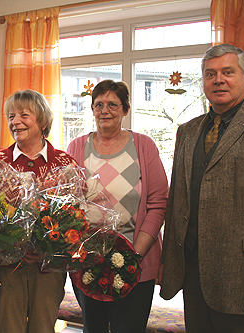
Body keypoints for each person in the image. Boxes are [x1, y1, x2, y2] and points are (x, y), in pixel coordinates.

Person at [160, 44, 244, 332]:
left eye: (227, 72)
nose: (218, 80)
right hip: (193, 277)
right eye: (210, 74)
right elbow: (177, 202)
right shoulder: (187, 130)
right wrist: (168, 263)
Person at [67, 79, 168, 333]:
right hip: (88, 264)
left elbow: (158, 203)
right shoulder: (77, 147)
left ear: (125, 110)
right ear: (92, 109)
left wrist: (134, 254)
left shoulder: (144, 146)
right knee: (94, 329)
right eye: (98, 104)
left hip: (136, 264)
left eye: (113, 104)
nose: (105, 110)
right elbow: (68, 204)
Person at [0, 89, 79, 333]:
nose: (15, 121)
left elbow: (77, 218)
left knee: (43, 329)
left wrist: (47, 252)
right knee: (9, 329)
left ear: (43, 120)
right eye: (11, 116)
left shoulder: (65, 163)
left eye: (24, 115)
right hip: (6, 267)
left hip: (48, 269)